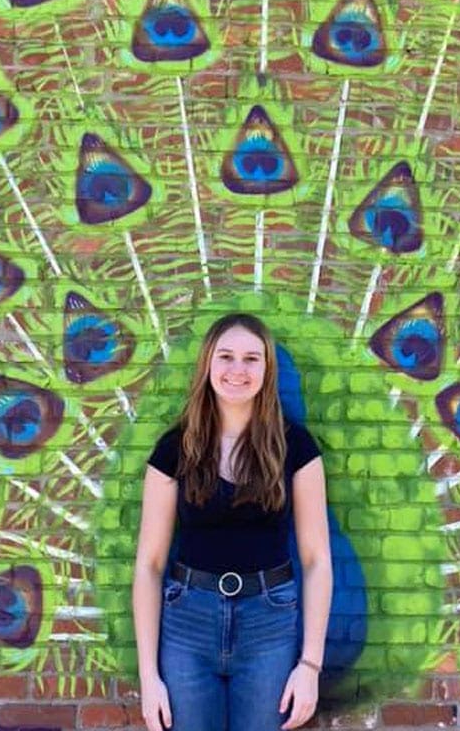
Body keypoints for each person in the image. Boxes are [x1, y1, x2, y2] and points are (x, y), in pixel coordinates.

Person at [132, 312, 332, 731]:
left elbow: (316, 561)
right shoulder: (174, 449)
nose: (237, 370)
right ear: (208, 364)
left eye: (251, 359)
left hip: (269, 623)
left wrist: (310, 665)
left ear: (267, 369)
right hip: (187, 623)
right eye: (226, 357)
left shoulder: (296, 446)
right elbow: (149, 566)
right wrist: (149, 678)